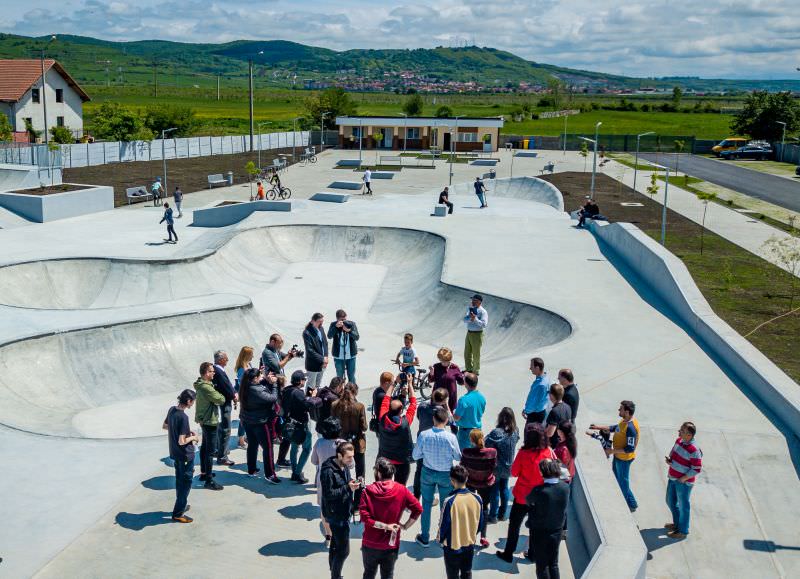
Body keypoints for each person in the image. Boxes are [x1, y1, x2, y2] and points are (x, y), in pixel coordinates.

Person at [496, 423, 556, 563]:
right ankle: (533, 554)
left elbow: (514, 472)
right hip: (540, 496)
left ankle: (508, 553)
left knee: (515, 525)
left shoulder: (523, 453)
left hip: (523, 496)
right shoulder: (548, 451)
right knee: (535, 527)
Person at [360, 458, 422, 579]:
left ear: (378, 473)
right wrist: (405, 526)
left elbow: (365, 518)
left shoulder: (367, 491)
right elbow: (418, 509)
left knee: (368, 574)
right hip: (391, 544)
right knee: (388, 575)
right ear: (392, 473)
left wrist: (384, 526)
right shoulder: (402, 490)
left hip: (370, 543)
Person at [413, 406, 462, 548]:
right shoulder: (451, 438)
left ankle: (424, 536)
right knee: (445, 505)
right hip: (446, 474)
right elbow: (458, 456)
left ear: (433, 419)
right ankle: (443, 537)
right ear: (446, 420)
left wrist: (425, 454)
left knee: (426, 504)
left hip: (428, 472)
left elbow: (416, 455)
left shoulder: (424, 435)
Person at [589, 400, 640, 512]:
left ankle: (627, 506)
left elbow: (630, 448)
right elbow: (615, 428)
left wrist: (611, 451)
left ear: (626, 412)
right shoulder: (624, 421)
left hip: (624, 460)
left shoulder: (631, 428)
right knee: (619, 481)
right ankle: (632, 503)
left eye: (620, 408)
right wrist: (598, 427)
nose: (618, 410)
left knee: (623, 484)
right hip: (618, 457)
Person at [321, 441, 360, 579]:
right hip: (335, 515)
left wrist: (352, 484)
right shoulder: (328, 471)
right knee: (344, 551)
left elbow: (346, 484)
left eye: (352, 456)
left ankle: (333, 570)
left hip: (344, 511)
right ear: (339, 455)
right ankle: (335, 576)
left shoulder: (344, 466)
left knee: (335, 545)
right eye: (349, 457)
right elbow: (328, 494)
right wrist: (348, 488)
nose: (352, 460)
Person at [437, 464, 483, 579]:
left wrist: (440, 539)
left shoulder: (449, 501)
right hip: (469, 544)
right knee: (467, 572)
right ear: (466, 479)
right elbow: (480, 523)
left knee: (452, 575)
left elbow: (443, 525)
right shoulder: (477, 498)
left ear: (452, 481)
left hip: (452, 547)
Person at [526, 459, 570, 579]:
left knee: (542, 566)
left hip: (539, 532)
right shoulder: (565, 488)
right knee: (553, 564)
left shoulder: (538, 490)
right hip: (557, 531)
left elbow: (528, 500)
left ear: (542, 472)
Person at [239, 367, 281, 483]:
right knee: (268, 448)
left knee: (252, 446)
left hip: (248, 421)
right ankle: (270, 474)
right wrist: (274, 384)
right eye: (260, 376)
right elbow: (272, 398)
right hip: (260, 423)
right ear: (254, 379)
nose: (262, 377)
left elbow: (260, 387)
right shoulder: (256, 390)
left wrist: (266, 380)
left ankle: (251, 470)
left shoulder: (245, 387)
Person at [163, 389, 199, 523]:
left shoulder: (172, 410)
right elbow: (182, 441)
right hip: (184, 455)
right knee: (186, 483)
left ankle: (181, 505)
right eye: (193, 401)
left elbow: (165, 426)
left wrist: (184, 431)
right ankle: (178, 513)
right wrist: (194, 437)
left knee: (179, 481)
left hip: (175, 454)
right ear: (188, 401)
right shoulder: (183, 417)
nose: (193, 404)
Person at [331, 382, 368, 510]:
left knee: (341, 472)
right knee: (360, 473)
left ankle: (343, 499)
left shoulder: (335, 405)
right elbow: (364, 427)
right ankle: (357, 503)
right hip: (357, 443)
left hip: (342, 443)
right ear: (355, 392)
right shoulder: (359, 406)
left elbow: (333, 423)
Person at [664, 421, 702, 539]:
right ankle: (677, 524)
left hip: (683, 482)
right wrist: (670, 460)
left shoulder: (694, 450)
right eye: (680, 429)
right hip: (673, 477)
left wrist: (683, 478)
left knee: (683, 506)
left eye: (682, 430)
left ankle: (683, 531)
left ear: (689, 435)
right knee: (670, 501)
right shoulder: (679, 440)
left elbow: (697, 468)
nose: (679, 431)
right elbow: (674, 453)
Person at [283, 369, 321, 483]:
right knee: (307, 448)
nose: (305, 381)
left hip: (291, 424)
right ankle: (297, 473)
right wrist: (313, 397)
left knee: (294, 447)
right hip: (301, 426)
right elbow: (308, 405)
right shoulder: (298, 393)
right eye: (304, 379)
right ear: (300, 381)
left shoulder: (287, 390)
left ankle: (295, 471)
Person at [460, 429, 496, 548]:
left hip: (471, 482)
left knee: (471, 508)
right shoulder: (492, 452)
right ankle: (483, 536)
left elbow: (462, 467)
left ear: (471, 440)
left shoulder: (466, 452)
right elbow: (494, 466)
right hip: (485, 483)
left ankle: (470, 533)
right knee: (484, 508)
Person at [413, 388, 450, 499]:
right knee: (433, 470)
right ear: (443, 400)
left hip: (422, 440)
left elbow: (418, 417)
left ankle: (415, 497)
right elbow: (452, 421)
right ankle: (430, 496)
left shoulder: (422, 407)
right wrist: (447, 406)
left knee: (419, 470)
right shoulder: (442, 412)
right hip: (436, 443)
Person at [377, 383, 418, 485]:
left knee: (384, 485)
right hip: (401, 461)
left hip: (385, 458)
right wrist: (410, 384)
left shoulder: (383, 417)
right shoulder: (405, 422)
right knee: (399, 487)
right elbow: (413, 404)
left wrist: (393, 384)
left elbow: (386, 400)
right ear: (401, 411)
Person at [312, 417, 344, 544]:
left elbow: (314, 461)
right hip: (340, 481)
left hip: (323, 480)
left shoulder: (319, 443)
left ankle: (328, 535)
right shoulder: (343, 443)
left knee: (324, 510)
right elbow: (351, 464)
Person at [194, 362, 225, 490]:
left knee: (205, 448)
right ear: (206, 373)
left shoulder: (201, 384)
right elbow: (220, 399)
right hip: (210, 421)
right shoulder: (206, 387)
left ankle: (204, 473)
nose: (214, 373)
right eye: (212, 371)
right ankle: (209, 481)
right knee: (210, 451)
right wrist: (220, 394)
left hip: (204, 420)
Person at [486, 407, 520, 523]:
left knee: (494, 491)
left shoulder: (497, 433)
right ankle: (503, 514)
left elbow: (486, 443)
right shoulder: (515, 431)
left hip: (497, 467)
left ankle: (493, 516)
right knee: (504, 489)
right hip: (508, 467)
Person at [212, 350, 236, 467]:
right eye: (226, 358)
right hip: (225, 402)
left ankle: (219, 450)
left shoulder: (215, 370)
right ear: (220, 359)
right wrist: (234, 396)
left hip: (221, 401)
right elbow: (226, 386)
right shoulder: (218, 371)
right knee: (226, 429)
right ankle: (222, 457)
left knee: (220, 427)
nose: (227, 360)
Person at [453, 373, 486, 450]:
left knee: (464, 456)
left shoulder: (463, 400)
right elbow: (481, 412)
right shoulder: (482, 398)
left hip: (465, 433)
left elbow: (457, 418)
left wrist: (453, 413)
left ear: (466, 384)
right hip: (478, 431)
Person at [427, 347, 464, 413]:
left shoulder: (455, 368)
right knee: (436, 416)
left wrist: (464, 377)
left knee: (449, 417)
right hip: (437, 397)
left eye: (444, 361)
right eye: (441, 360)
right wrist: (431, 373)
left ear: (449, 359)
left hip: (450, 398)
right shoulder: (436, 366)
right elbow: (430, 380)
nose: (442, 362)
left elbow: (461, 382)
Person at [328, 309, 359, 384]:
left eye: (345, 319)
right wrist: (335, 327)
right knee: (339, 377)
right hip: (338, 357)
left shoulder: (351, 324)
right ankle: (340, 393)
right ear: (337, 319)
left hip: (351, 356)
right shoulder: (333, 324)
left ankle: (352, 392)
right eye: (342, 320)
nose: (344, 321)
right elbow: (329, 336)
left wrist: (349, 331)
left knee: (351, 376)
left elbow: (357, 337)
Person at [234, 346, 255, 450]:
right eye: (251, 354)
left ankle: (246, 436)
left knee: (249, 417)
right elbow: (242, 384)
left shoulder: (249, 364)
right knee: (243, 418)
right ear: (247, 355)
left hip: (251, 395)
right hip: (245, 396)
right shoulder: (241, 369)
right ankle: (240, 440)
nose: (253, 356)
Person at [303, 313, 329, 390]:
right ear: (312, 321)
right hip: (313, 364)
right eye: (319, 321)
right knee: (311, 385)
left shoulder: (321, 328)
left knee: (318, 384)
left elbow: (325, 343)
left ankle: (316, 400)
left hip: (323, 362)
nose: (321, 323)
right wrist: (322, 359)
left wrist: (326, 357)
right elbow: (310, 350)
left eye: (322, 321)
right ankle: (308, 400)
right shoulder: (307, 333)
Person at [463, 295, 488, 375]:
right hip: (469, 333)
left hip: (477, 334)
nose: (473, 302)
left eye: (475, 300)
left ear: (479, 302)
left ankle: (475, 371)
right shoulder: (470, 310)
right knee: (467, 352)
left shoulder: (483, 312)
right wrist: (470, 318)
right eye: (472, 300)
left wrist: (475, 319)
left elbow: (484, 324)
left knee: (476, 354)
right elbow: (464, 320)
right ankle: (469, 369)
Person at [523, 357, 550, 425]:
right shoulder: (546, 378)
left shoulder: (541, 385)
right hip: (538, 413)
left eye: (531, 366)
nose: (530, 368)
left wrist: (526, 411)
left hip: (535, 415)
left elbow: (535, 402)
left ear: (537, 368)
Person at [545, 384, 572, 448]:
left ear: (552, 396)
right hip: (564, 442)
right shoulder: (567, 407)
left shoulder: (554, 411)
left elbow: (549, 433)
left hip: (554, 445)